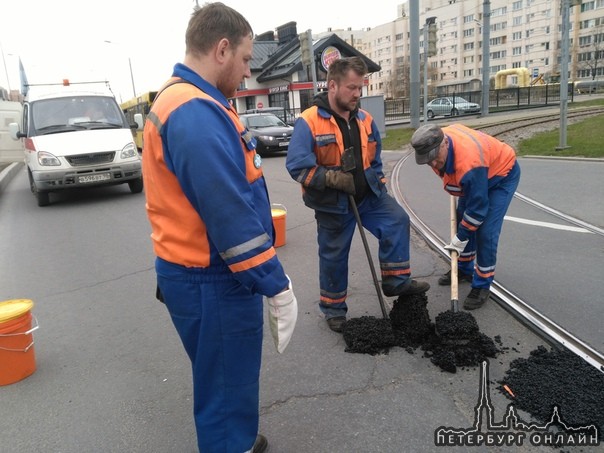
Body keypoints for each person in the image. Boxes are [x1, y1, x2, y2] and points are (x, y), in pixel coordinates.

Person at [141, 3, 297, 452]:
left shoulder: (187, 100)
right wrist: (275, 284)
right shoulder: (194, 110)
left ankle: (239, 440)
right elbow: (228, 216)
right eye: (247, 59)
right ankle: (233, 443)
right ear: (223, 49)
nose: (248, 72)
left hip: (196, 271)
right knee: (226, 388)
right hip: (212, 278)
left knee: (225, 379)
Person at [286, 56, 429, 333]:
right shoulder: (309, 122)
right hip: (332, 205)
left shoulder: (365, 119)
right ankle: (333, 308)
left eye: (360, 88)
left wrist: (380, 185)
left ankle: (396, 281)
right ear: (332, 86)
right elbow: (296, 166)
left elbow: (375, 158)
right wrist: (331, 178)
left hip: (368, 197)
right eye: (351, 87)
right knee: (334, 255)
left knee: (396, 219)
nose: (357, 94)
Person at [410, 123, 521, 310]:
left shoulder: (469, 163)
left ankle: (482, 285)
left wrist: (459, 239)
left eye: (435, 159)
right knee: (463, 219)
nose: (433, 164)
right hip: (475, 176)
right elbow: (454, 178)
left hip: (501, 176)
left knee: (485, 231)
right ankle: (463, 269)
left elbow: (477, 210)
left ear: (445, 143)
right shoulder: (436, 147)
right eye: (428, 161)